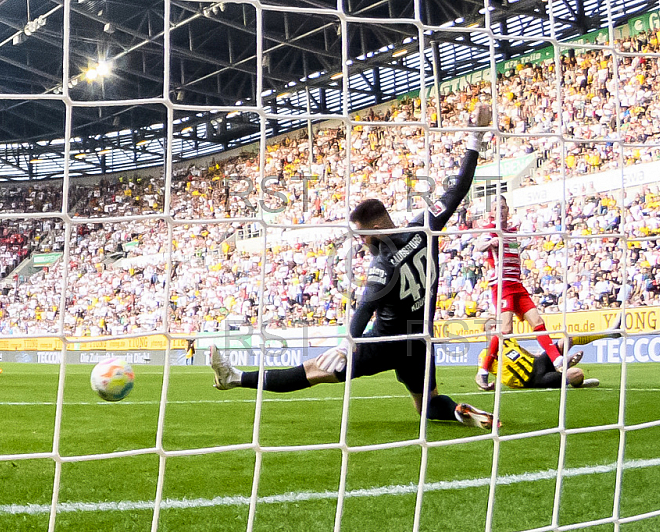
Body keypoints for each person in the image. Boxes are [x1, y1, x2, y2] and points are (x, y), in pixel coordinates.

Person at [210, 103, 497, 430]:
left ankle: (234, 378)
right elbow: (457, 189)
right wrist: (476, 137)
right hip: (419, 340)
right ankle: (460, 412)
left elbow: (364, 309)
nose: (360, 242)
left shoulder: (382, 264)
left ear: (374, 229)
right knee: (428, 405)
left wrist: (348, 343)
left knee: (312, 371)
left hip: (383, 344)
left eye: (361, 236)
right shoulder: (424, 227)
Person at [473, 196, 562, 391]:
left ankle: (558, 360)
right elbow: (479, 246)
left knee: (538, 322)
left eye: (504, 207)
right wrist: (492, 242)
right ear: (492, 212)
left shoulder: (512, 232)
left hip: (517, 285)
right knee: (505, 329)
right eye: (497, 208)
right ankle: (483, 371)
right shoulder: (490, 230)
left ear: (507, 210)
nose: (501, 211)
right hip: (502, 285)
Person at [478, 323, 623, 390]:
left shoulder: (509, 341)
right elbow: (480, 378)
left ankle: (610, 333)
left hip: (537, 363)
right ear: (487, 334)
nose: (496, 329)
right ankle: (573, 378)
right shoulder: (485, 355)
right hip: (532, 381)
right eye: (491, 328)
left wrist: (541, 356)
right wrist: (486, 386)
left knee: (567, 339)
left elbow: (523, 352)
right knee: (578, 374)